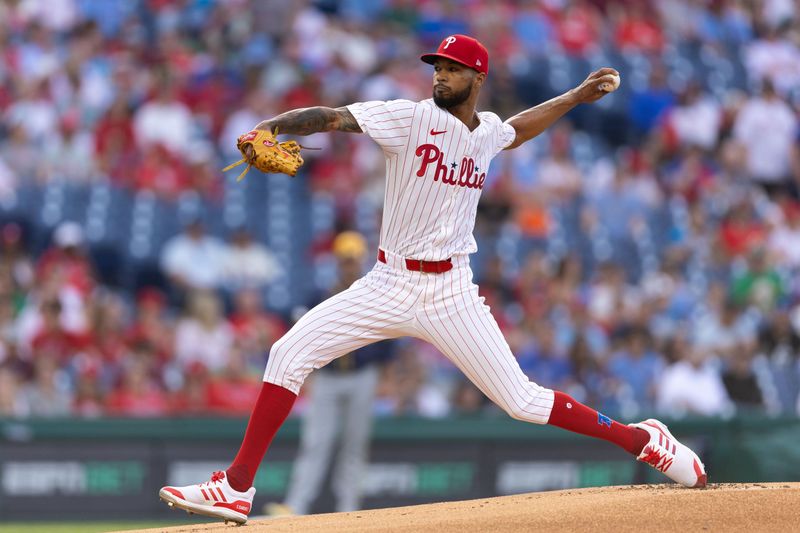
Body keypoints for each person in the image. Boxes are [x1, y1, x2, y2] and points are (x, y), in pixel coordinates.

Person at [159, 35, 706, 526]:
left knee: (521, 401)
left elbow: (514, 131)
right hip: (388, 282)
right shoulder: (408, 116)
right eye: (436, 66)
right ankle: (235, 487)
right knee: (286, 353)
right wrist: (274, 126)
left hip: (451, 292)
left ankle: (643, 440)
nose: (440, 75)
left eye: (452, 68)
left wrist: (572, 98)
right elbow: (330, 117)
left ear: (477, 78)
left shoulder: (485, 131)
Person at [268, 231, 396, 516]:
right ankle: (295, 505)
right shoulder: (320, 295)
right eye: (344, 260)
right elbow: (301, 333)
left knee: (354, 444)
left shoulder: (375, 295)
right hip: (327, 377)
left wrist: (387, 377)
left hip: (363, 375)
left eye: (353, 260)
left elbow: (389, 340)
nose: (349, 265)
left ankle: (348, 508)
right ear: (337, 262)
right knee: (315, 442)